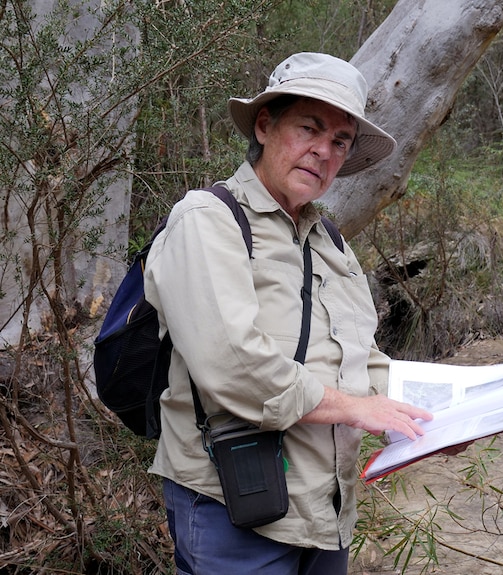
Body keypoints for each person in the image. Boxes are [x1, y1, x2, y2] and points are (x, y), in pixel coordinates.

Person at [143, 52, 433, 575]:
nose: (323, 151)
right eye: (309, 128)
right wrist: (353, 407)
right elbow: (230, 363)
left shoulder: (331, 243)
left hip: (325, 512)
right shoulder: (208, 220)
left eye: (340, 141)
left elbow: (359, 359)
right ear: (264, 125)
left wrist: (438, 421)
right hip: (232, 507)